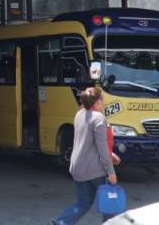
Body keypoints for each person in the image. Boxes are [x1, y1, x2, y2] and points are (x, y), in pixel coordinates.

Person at [51, 87, 117, 225]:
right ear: (98, 101)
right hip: (94, 169)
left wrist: (111, 154)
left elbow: (87, 141)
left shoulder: (79, 114)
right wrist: (111, 172)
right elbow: (102, 147)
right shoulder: (98, 118)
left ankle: (60, 223)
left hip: (78, 167)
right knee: (110, 206)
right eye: (102, 100)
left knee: (83, 203)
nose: (103, 103)